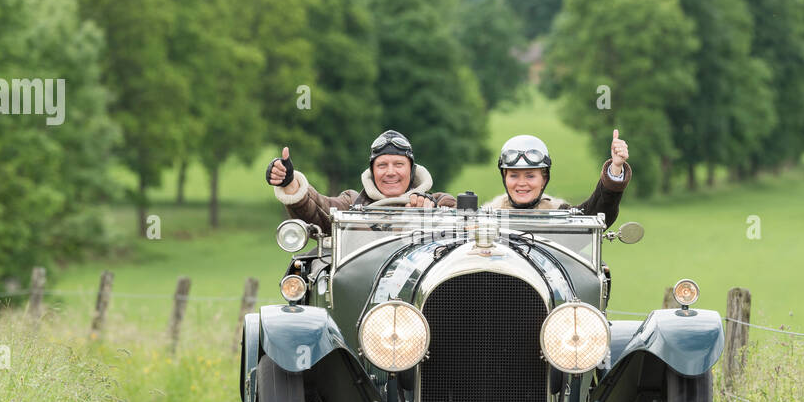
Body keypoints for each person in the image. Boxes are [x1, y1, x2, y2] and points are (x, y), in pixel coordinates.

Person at [265, 129, 456, 229]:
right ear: (372, 172)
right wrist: (289, 182)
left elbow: (462, 220)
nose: (390, 172)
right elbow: (317, 211)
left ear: (412, 171)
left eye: (398, 165)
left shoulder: (438, 202)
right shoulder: (353, 205)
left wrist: (431, 211)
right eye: (382, 166)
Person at [486, 129, 630, 230]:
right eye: (514, 175)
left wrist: (616, 168)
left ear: (544, 179)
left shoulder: (559, 213)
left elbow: (598, 212)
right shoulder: (486, 217)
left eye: (530, 176)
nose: (522, 183)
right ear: (505, 178)